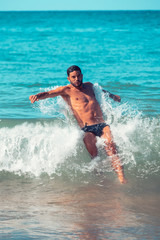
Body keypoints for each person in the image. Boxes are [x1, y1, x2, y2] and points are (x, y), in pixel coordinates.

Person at [29, 65, 126, 184]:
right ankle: (100, 179)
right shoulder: (66, 91)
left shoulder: (90, 86)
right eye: (73, 77)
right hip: (87, 129)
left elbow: (102, 92)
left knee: (111, 147)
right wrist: (37, 96)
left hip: (102, 124)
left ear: (82, 76)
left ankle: (122, 178)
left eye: (79, 76)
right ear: (68, 78)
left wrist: (113, 96)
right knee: (94, 156)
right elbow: (49, 93)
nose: (77, 79)